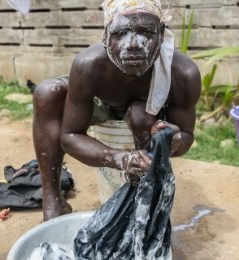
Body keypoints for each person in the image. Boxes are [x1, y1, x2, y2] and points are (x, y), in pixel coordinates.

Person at [33, 0, 201, 221]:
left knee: (141, 114)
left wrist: (173, 140)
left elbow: (187, 136)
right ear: (105, 37)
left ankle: (145, 194)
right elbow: (70, 135)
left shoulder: (182, 73)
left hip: (149, 117)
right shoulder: (89, 64)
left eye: (145, 32)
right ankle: (53, 200)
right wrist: (121, 158)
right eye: (120, 33)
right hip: (103, 105)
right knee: (47, 93)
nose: (133, 44)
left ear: (161, 34)